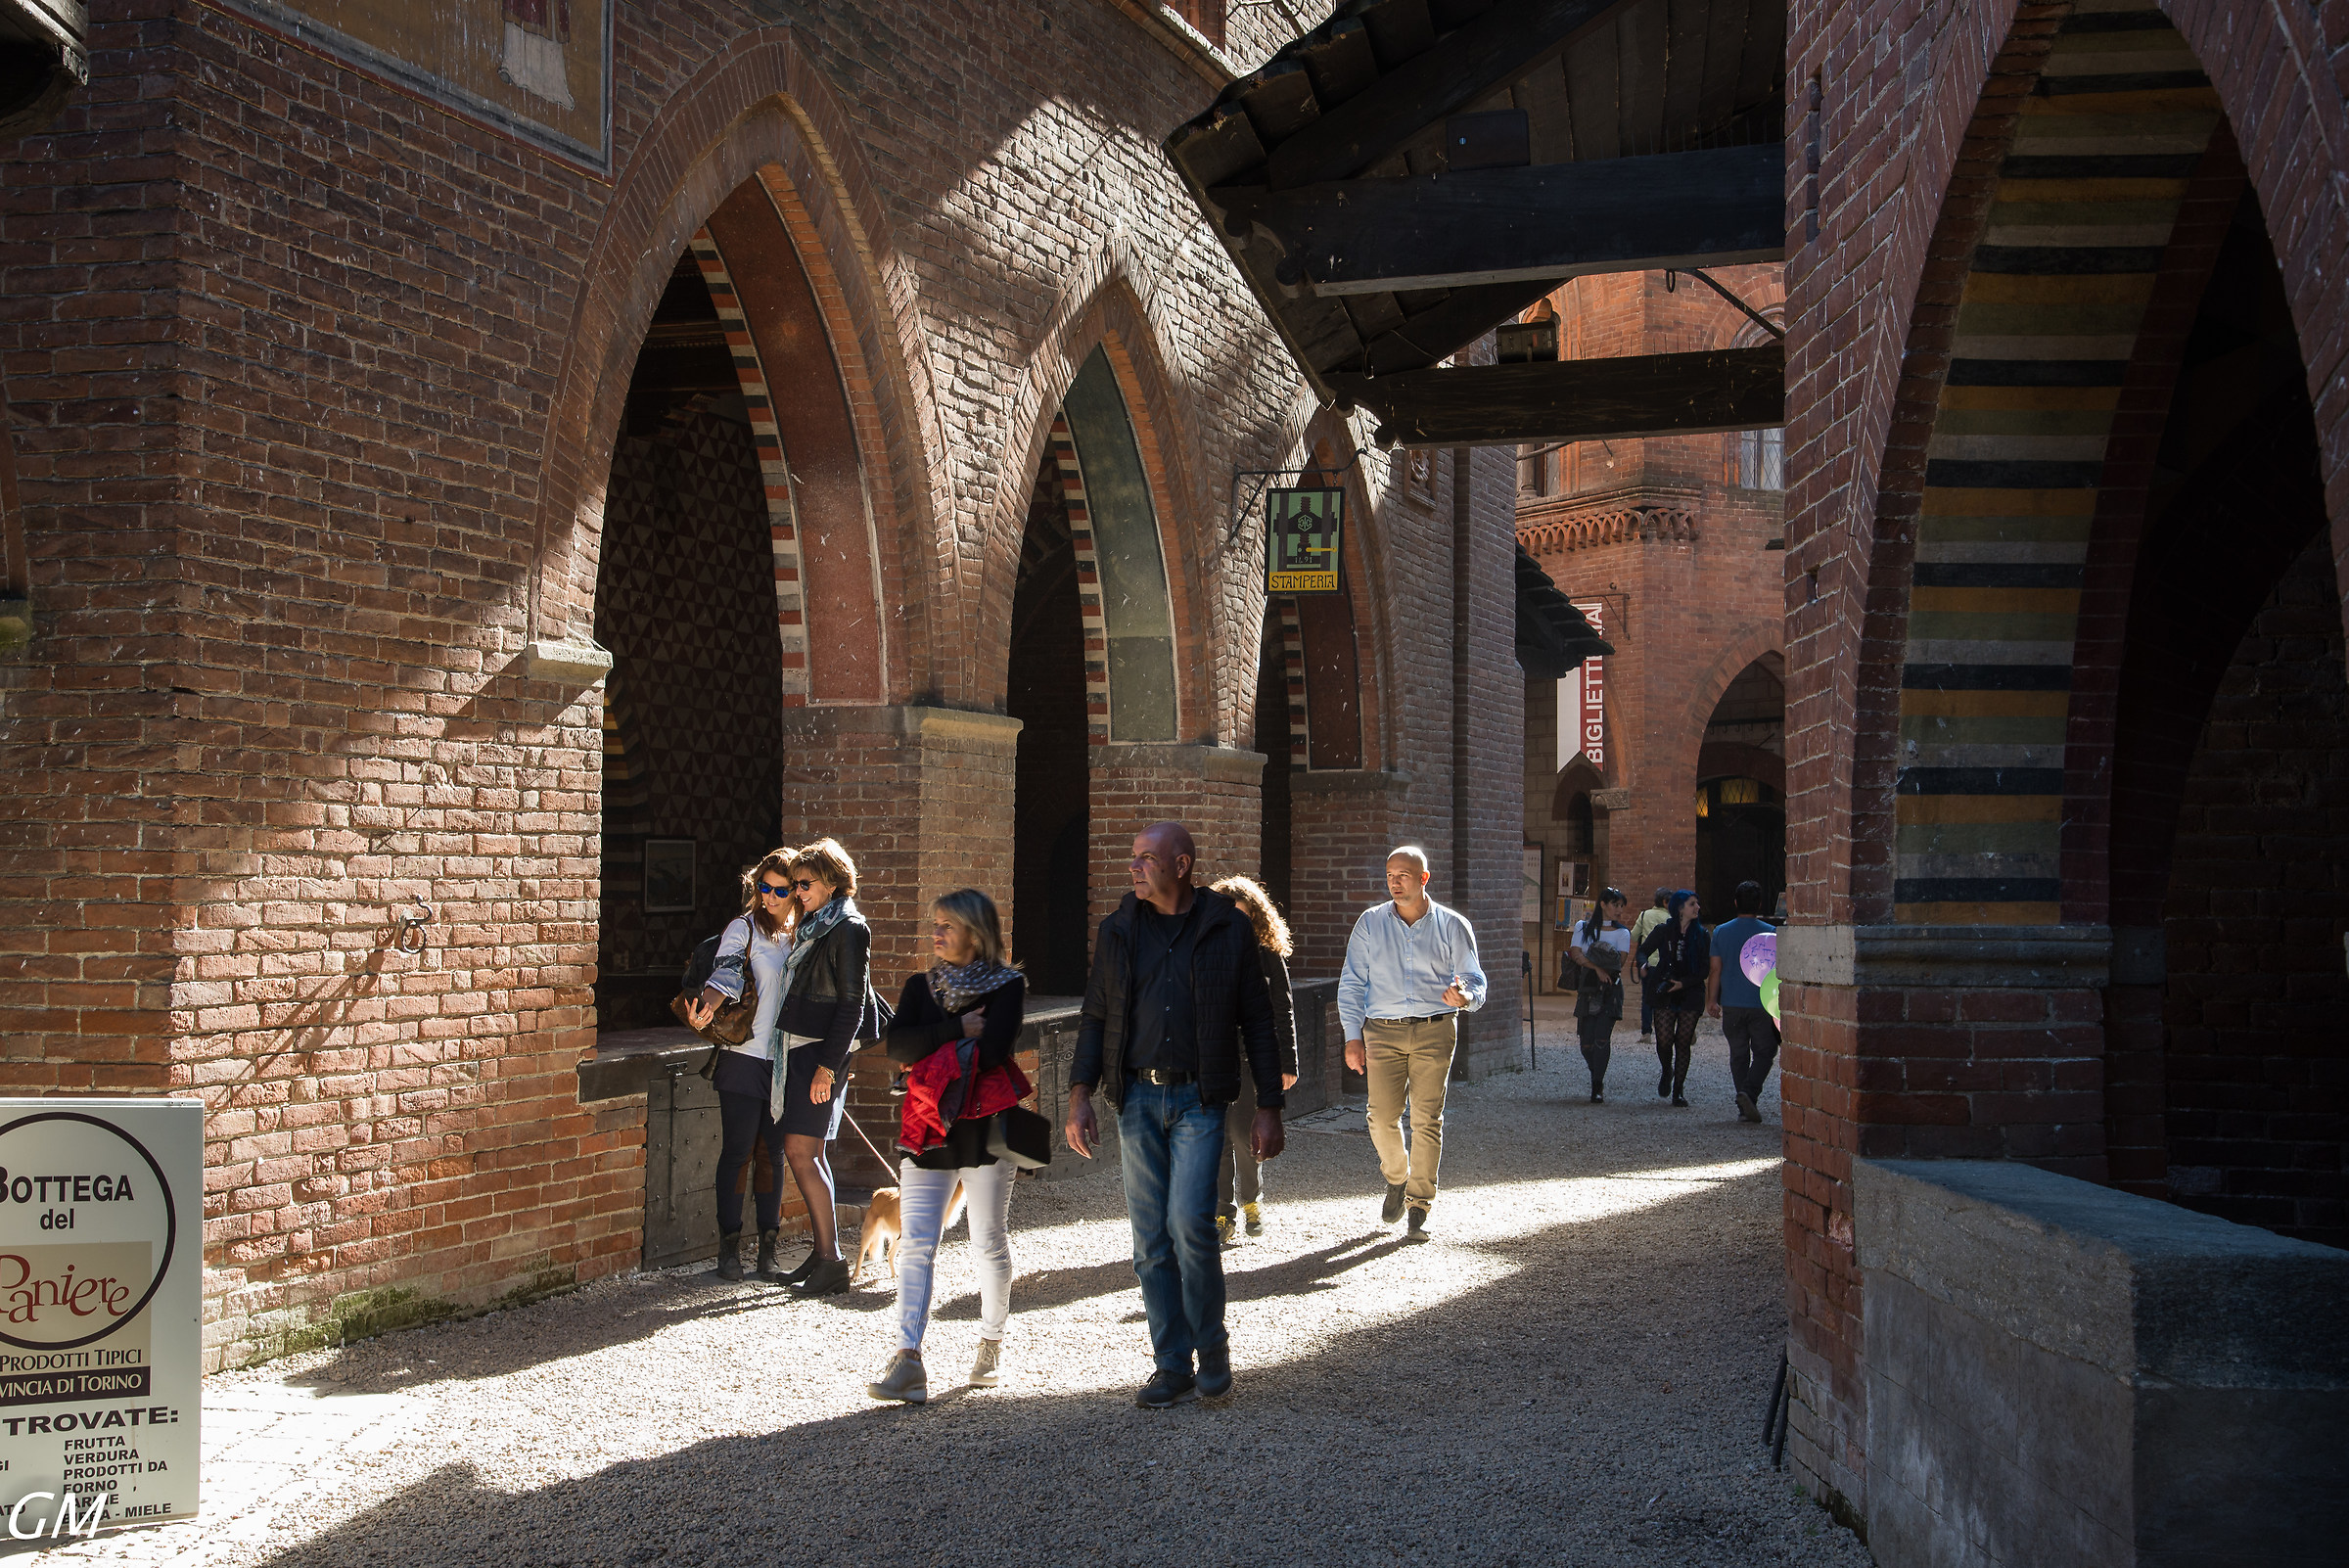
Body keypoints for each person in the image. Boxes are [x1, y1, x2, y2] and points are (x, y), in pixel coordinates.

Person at [1064, 822, 1285, 1409]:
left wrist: (1269, 1105)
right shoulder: (1119, 930)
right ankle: (1172, 1364)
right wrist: (1079, 1092)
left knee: (1191, 1225)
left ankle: (1212, 1354)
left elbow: (1258, 1021)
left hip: (1201, 1100)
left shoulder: (1227, 928)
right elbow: (1095, 1015)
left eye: (1146, 859)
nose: (1134, 868)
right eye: (1132, 857)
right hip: (1136, 1099)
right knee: (1149, 1241)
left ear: (1181, 865)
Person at [865, 889, 1027, 1404]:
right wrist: (957, 1028)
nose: (936, 934)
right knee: (915, 1241)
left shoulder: (1008, 986)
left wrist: (932, 1043)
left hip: (987, 1124)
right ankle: (908, 1359)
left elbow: (996, 1047)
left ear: (976, 934)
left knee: (987, 1239)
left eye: (947, 926)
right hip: (928, 1121)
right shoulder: (919, 986)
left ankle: (991, 1343)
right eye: (935, 925)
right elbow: (898, 1047)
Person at [1337, 846, 1489, 1238]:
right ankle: (1398, 1176)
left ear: (1424, 879)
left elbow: (1473, 977)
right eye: (1390, 875)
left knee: (1427, 1120)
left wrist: (1465, 996)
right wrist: (1353, 1037)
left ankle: (1419, 1203)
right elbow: (1352, 983)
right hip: (1382, 1031)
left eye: (1403, 874)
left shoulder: (1452, 925)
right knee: (1381, 1116)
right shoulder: (1370, 923)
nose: (1394, 882)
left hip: (1435, 1029)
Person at [765, 837, 874, 1297]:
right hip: (806, 1050)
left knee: (799, 1151)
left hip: (819, 1054)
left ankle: (830, 1261)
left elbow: (851, 1006)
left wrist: (827, 1068)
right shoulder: (818, 924)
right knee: (814, 1154)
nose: (797, 892)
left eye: (804, 884)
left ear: (832, 881)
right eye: (793, 885)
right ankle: (822, 1252)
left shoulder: (848, 927)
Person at [686, 848, 799, 1282]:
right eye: (763, 887)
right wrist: (708, 1006)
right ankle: (728, 1249)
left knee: (772, 1154)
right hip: (743, 1058)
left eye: (780, 890)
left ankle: (768, 1251)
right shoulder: (744, 928)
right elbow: (727, 973)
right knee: (737, 1153)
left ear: (796, 892)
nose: (769, 896)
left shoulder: (803, 932)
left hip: (784, 1062)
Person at [1207, 876, 1301, 1246]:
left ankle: (1252, 1200)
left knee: (1243, 1135)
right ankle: (1221, 1212)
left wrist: (1288, 1062)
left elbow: (1284, 1007)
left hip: (1252, 1061)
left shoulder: (1267, 953)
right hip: (1213, 1060)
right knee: (1215, 1139)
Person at [1707, 880, 1779, 1124]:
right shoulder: (1771, 932)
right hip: (1761, 1003)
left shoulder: (1721, 932)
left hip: (1732, 1003)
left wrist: (1712, 1000)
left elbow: (1715, 970)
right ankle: (1749, 1093)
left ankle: (1744, 1102)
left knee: (1738, 1054)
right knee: (1765, 1051)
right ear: (1759, 904)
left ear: (1735, 903)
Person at [1637, 889, 1709, 1107]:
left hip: (1690, 990)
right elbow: (1643, 950)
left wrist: (1684, 983)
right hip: (1665, 988)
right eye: (1692, 904)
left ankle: (1678, 1090)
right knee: (1665, 1040)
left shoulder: (1702, 934)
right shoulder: (1663, 930)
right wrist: (1643, 965)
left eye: (1697, 904)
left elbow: (1704, 970)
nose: (1697, 908)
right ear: (1679, 908)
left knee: (1683, 1042)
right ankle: (1667, 1069)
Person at [1566, 887, 1632, 1102]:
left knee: (1602, 1038)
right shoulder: (1583, 927)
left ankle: (1597, 1085)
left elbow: (1619, 962)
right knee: (1586, 1042)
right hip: (1588, 988)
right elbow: (1575, 953)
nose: (1619, 910)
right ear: (1603, 904)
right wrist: (1597, 967)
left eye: (1621, 906)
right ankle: (1597, 1075)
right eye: (1615, 905)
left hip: (1611, 988)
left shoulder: (1623, 932)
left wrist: (1593, 961)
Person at [1631, 887, 1671, 1040]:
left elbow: (1634, 936)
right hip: (1666, 964)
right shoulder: (1671, 917)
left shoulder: (1644, 915)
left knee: (1647, 998)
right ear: (1666, 902)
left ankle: (1646, 1032)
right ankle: (1666, 1031)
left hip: (1647, 964)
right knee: (1667, 998)